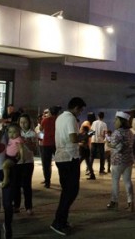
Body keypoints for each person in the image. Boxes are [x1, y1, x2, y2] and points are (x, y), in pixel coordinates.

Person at [50, 97, 86, 236]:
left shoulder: (60, 117)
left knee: (67, 191)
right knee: (71, 191)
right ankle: (58, 222)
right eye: (80, 110)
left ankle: (62, 220)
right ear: (76, 108)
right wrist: (83, 136)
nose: (80, 112)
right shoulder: (71, 118)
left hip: (61, 158)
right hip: (69, 158)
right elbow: (73, 138)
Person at [107, 112, 134, 211]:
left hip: (117, 161)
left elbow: (114, 146)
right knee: (128, 182)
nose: (114, 122)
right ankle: (130, 203)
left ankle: (114, 202)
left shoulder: (117, 133)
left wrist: (108, 143)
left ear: (121, 121)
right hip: (128, 160)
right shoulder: (130, 132)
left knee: (115, 181)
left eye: (116, 120)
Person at [13, 113, 36, 215]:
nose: (23, 124)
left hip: (28, 162)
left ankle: (28, 207)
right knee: (16, 185)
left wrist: (27, 142)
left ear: (29, 123)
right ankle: (16, 206)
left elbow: (33, 149)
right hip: (17, 162)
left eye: (25, 122)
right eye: (21, 122)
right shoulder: (16, 133)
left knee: (26, 185)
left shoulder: (33, 134)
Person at [0, 124, 25, 188]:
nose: (12, 134)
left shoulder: (18, 139)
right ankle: (6, 178)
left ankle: (5, 180)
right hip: (8, 156)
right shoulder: (10, 139)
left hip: (13, 158)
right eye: (10, 132)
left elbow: (21, 149)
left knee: (4, 165)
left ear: (19, 132)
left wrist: (22, 158)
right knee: (6, 167)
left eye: (14, 132)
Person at [39, 106, 57, 188]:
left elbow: (40, 129)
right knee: (59, 162)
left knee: (46, 164)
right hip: (56, 143)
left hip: (46, 144)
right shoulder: (57, 120)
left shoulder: (45, 120)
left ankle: (47, 182)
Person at [90, 111, 108, 177]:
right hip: (100, 141)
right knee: (102, 156)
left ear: (98, 116)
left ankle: (90, 169)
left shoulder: (94, 123)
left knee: (91, 156)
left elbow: (91, 131)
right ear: (103, 117)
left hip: (93, 140)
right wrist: (107, 140)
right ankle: (101, 170)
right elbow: (104, 133)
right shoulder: (104, 124)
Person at [80, 112, 96, 177]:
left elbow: (91, 133)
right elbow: (86, 134)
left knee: (85, 160)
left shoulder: (88, 123)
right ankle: (91, 174)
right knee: (85, 160)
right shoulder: (87, 123)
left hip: (85, 145)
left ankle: (92, 174)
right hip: (84, 144)